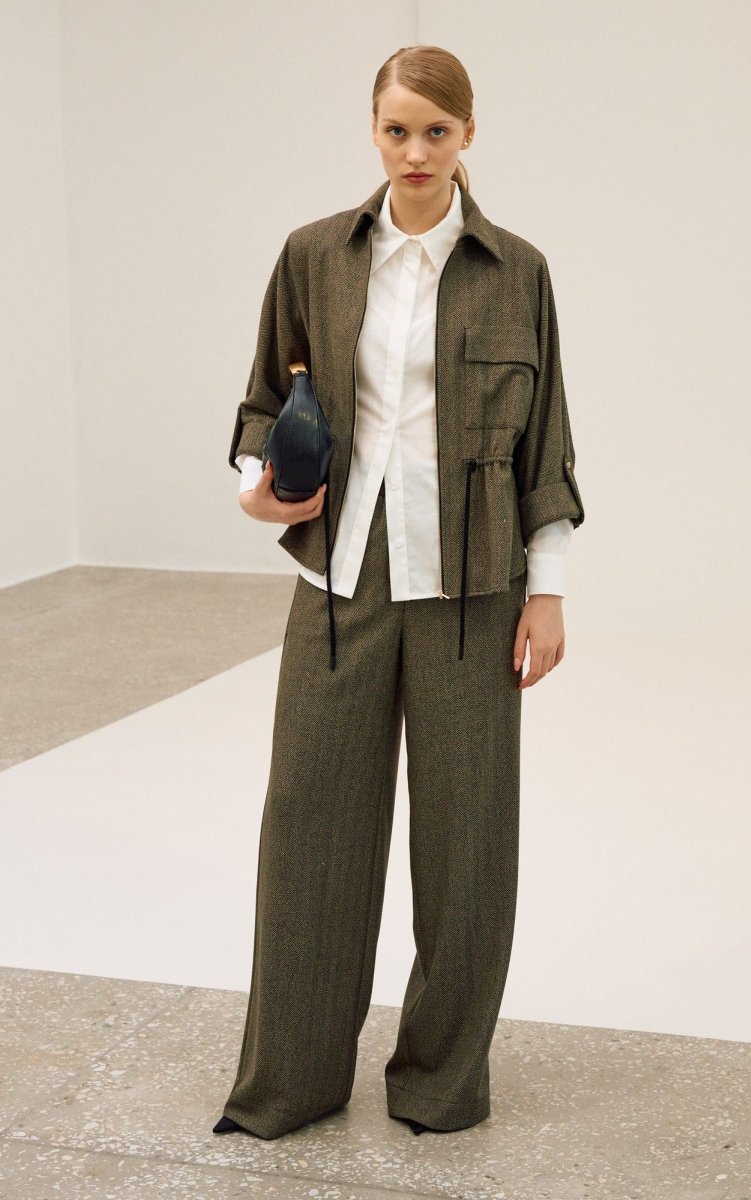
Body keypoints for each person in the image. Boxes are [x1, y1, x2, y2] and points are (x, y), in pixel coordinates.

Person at [213, 44, 585, 1142]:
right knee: (308, 826)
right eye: (395, 129)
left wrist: (549, 588)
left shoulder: (517, 271)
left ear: (468, 134)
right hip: (341, 577)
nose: (414, 152)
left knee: (467, 842)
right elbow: (259, 405)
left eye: (436, 131)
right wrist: (257, 489)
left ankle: (438, 1084)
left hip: (478, 582)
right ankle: (291, 1082)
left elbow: (547, 441)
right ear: (371, 131)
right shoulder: (313, 257)